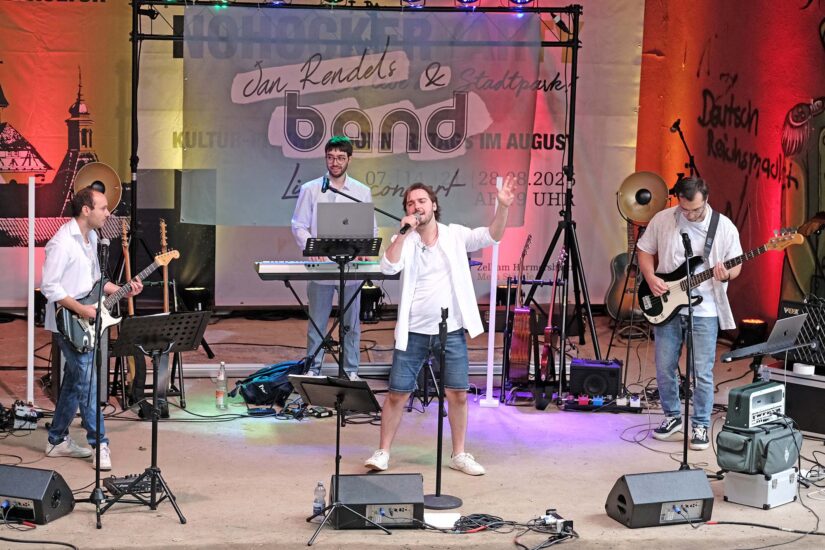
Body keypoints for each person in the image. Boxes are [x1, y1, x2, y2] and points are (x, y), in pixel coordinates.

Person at [364, 177, 516, 475]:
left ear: (434, 205)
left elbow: (492, 235)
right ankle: (383, 452)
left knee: (457, 393)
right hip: (413, 331)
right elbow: (388, 267)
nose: (416, 206)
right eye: (410, 203)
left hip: (450, 330)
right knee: (397, 394)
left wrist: (503, 207)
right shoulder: (406, 240)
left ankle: (459, 454)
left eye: (422, 201)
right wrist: (402, 233)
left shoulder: (454, 234)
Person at [41, 186, 143, 470]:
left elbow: (96, 282)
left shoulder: (93, 238)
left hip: (87, 318)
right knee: (87, 381)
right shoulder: (62, 242)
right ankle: (100, 444)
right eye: (103, 208)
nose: (108, 213)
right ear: (86, 210)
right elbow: (50, 287)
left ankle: (56, 440)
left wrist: (123, 289)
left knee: (75, 381)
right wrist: (82, 309)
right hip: (68, 322)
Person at [637, 176, 742, 450]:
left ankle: (701, 425)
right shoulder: (663, 219)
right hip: (667, 303)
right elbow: (644, 250)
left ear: (706, 199)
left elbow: (737, 265)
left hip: (705, 309)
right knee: (664, 367)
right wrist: (650, 277)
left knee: (702, 372)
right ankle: (672, 417)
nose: (689, 214)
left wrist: (726, 273)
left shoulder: (723, 227)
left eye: (694, 210)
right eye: (684, 209)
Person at [291, 136, 376, 378]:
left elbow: (370, 228)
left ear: (349, 159)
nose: (335, 162)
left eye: (340, 157)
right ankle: (313, 369)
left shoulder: (361, 191)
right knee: (317, 324)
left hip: (351, 268)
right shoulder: (311, 189)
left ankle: (350, 371)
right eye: (330, 157)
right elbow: (298, 225)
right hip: (321, 268)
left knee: (351, 325)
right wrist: (313, 248)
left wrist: (364, 251)